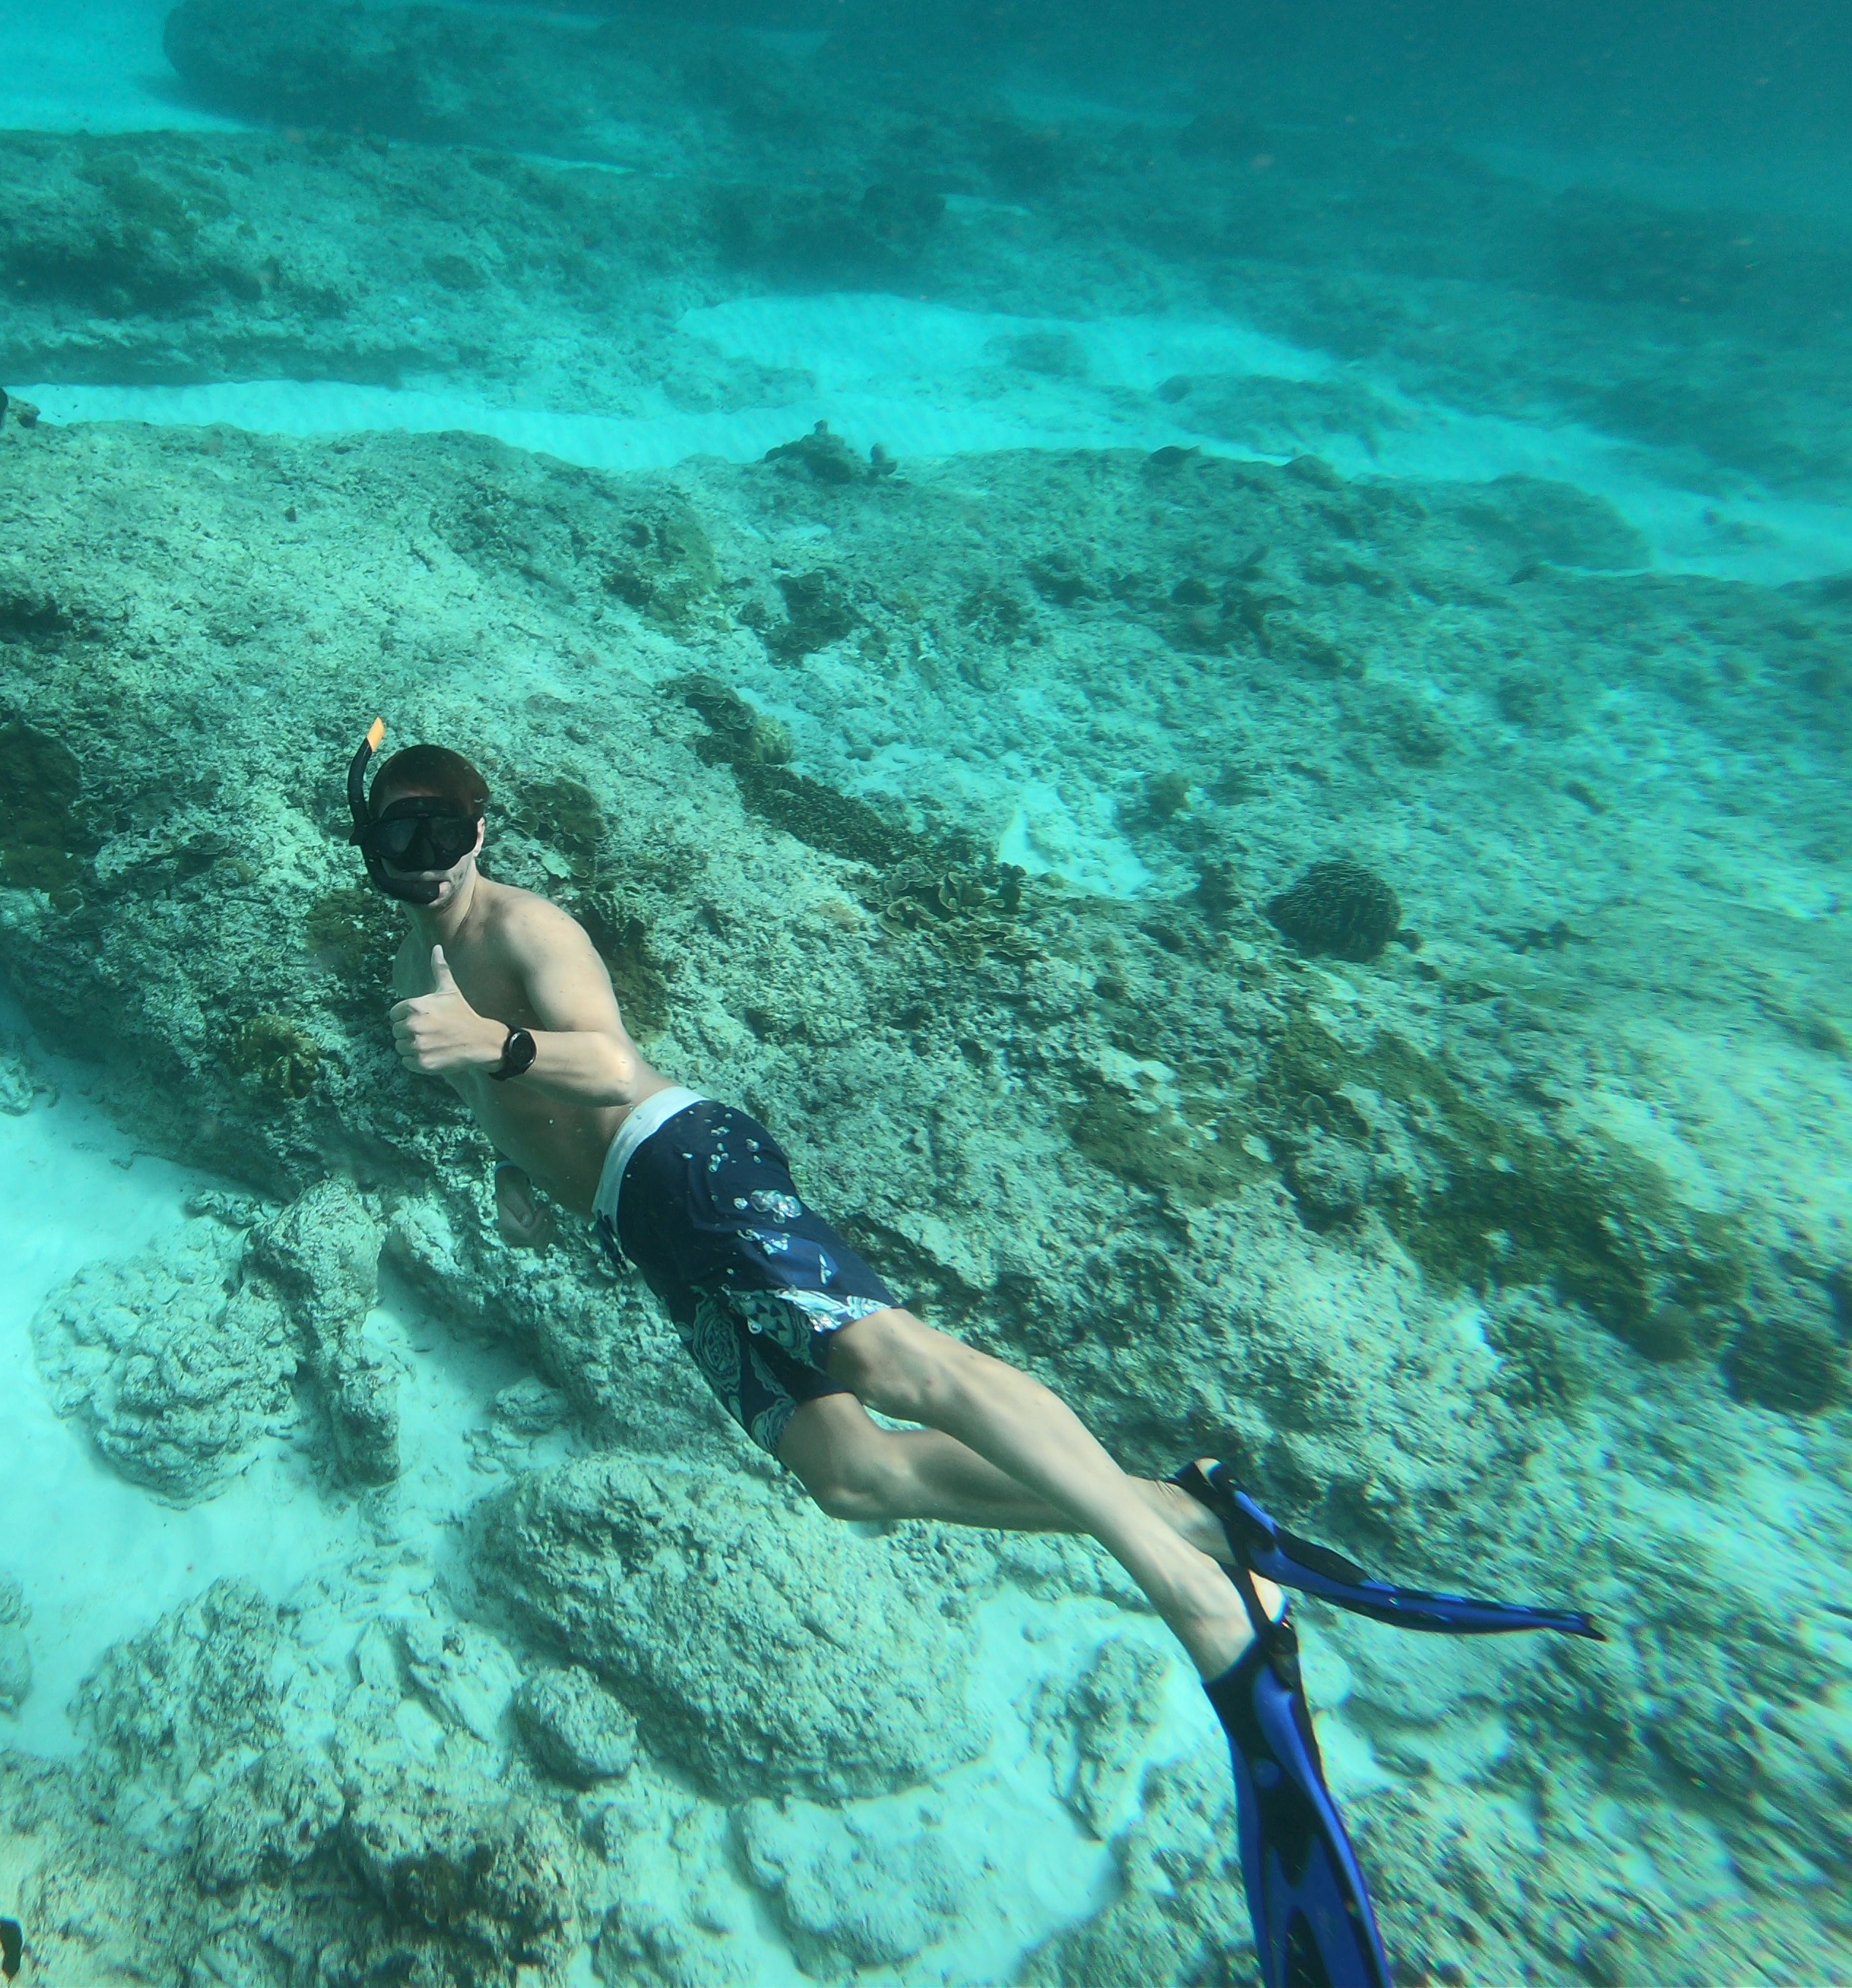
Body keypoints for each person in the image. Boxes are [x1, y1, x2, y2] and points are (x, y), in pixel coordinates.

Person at [344, 721, 1602, 1988]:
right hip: (639, 1231)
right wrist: (516, 1173)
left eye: (447, 832)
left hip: (678, 1161)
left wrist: (491, 1047)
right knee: (852, 1476)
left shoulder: (526, 929)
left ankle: (1188, 1586)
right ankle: (1198, 1516)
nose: (429, 860)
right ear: (371, 852)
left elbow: (611, 1061)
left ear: (484, 831)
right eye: (401, 841)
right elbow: (506, 1105)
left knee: (891, 1363)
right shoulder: (416, 966)